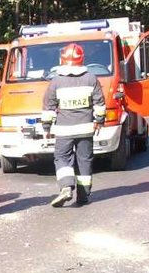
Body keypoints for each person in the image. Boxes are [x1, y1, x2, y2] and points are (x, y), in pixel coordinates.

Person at [41, 43, 105, 207]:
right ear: (81, 59)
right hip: (85, 129)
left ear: (62, 59)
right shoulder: (91, 78)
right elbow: (99, 104)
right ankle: (83, 196)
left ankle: (66, 187)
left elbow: (48, 106)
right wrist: (99, 121)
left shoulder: (56, 81)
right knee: (84, 160)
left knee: (62, 158)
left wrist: (46, 128)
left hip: (64, 130)